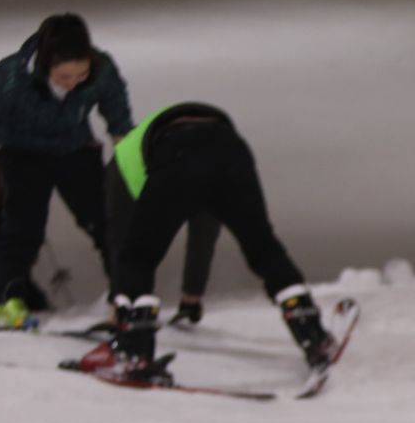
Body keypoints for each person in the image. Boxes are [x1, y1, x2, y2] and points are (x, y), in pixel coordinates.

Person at [92, 102, 336, 375]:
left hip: (176, 151)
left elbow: (122, 243)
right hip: (228, 145)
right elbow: (205, 230)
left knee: (137, 255)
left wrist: (120, 305)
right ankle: (310, 329)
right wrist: (191, 297)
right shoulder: (147, 155)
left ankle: (133, 349)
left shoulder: (121, 169)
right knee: (262, 245)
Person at [0, 13, 132, 330]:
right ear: (46, 65)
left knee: (108, 223)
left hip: (76, 150)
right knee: (22, 230)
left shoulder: (101, 70)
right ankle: (5, 307)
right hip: (23, 155)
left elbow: (117, 109)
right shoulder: (10, 78)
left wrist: (128, 154)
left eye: (81, 74)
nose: (74, 81)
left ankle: (127, 300)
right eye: (65, 76)